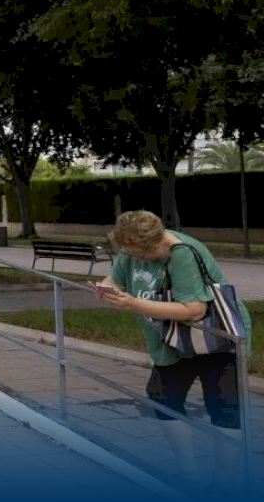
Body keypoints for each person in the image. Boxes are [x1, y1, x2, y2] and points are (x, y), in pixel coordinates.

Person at [95, 210, 252, 494]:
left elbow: (195, 310)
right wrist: (107, 289)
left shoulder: (182, 254)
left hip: (214, 336)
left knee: (222, 404)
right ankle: (189, 474)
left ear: (151, 243)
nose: (132, 257)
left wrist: (133, 304)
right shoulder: (130, 250)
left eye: (136, 253)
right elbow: (114, 279)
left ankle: (224, 483)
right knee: (163, 396)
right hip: (170, 338)